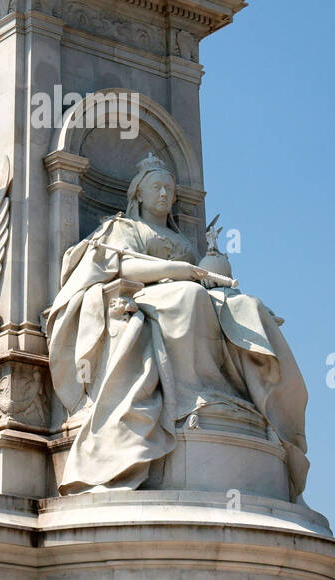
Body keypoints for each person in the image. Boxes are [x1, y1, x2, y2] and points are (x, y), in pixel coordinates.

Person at [45, 154, 309, 496]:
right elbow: (120, 268)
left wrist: (215, 269)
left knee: (250, 308)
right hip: (148, 295)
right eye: (157, 187)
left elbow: (200, 275)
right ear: (139, 193)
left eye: (169, 189)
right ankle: (191, 397)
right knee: (189, 299)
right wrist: (174, 272)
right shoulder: (126, 229)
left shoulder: (181, 239)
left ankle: (250, 402)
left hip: (186, 292)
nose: (164, 195)